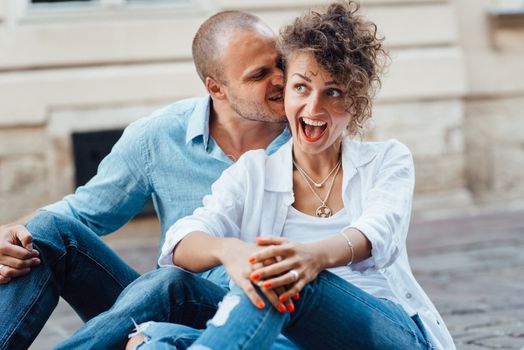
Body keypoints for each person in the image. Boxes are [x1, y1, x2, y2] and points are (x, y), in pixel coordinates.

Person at [126, 1, 456, 349]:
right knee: (151, 340)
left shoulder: (387, 159)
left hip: (386, 332)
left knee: (282, 272)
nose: (313, 107)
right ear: (285, 92)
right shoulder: (253, 172)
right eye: (301, 88)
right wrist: (230, 250)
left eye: (333, 92)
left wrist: (312, 258)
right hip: (293, 339)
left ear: (355, 102)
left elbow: (378, 231)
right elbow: (182, 240)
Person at [0, 10, 291, 350]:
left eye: (280, 64)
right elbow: (80, 213)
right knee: (47, 232)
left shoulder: (306, 137)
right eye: (259, 74)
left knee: (170, 282)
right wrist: (6, 238)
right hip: (155, 309)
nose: (281, 80)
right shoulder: (159, 136)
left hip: (250, 314)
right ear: (216, 88)